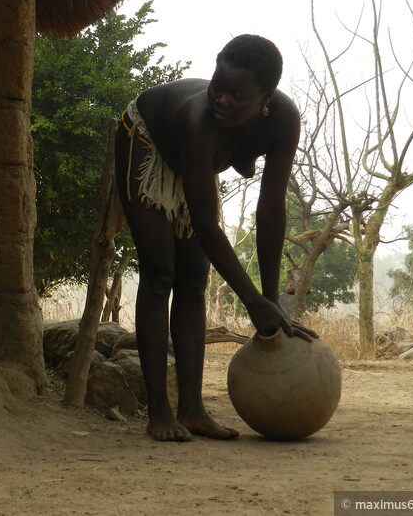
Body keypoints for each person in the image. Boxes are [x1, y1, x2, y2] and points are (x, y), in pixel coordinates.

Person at [115, 34, 317, 442]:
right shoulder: (199, 121)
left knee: (193, 276)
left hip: (196, 164)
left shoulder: (283, 120)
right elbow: (207, 226)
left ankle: (192, 410)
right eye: (217, 86)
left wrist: (272, 302)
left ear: (266, 97)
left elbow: (271, 210)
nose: (221, 100)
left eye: (236, 95)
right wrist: (252, 302)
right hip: (148, 140)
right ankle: (159, 412)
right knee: (159, 275)